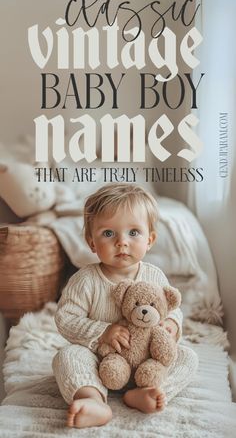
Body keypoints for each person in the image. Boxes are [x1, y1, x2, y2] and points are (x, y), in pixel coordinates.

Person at [52, 183, 198, 429]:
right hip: (101, 363)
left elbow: (172, 309)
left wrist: (172, 324)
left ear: (150, 239)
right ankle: (93, 398)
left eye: (133, 233)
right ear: (91, 242)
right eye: (108, 233)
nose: (122, 242)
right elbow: (65, 318)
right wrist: (102, 332)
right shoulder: (85, 280)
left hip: (146, 364)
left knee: (188, 357)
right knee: (68, 356)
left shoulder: (154, 276)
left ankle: (149, 391)